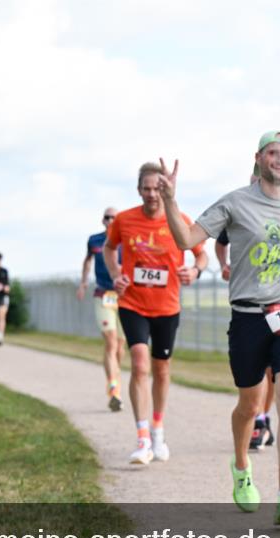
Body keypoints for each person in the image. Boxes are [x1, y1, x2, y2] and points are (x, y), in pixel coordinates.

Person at [158, 131, 280, 526]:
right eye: (273, 153)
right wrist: (169, 199)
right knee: (250, 404)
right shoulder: (235, 202)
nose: (279, 160)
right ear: (259, 158)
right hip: (248, 316)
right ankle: (241, 466)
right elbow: (186, 239)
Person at [104, 163, 208, 465]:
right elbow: (110, 250)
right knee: (138, 363)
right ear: (139, 190)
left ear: (165, 189)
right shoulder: (124, 220)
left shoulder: (180, 220)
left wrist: (195, 271)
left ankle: (158, 429)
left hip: (167, 306)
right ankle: (142, 438)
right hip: (132, 302)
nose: (152, 194)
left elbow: (201, 254)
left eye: (157, 188)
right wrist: (115, 275)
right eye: (146, 188)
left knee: (161, 370)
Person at [215, 165, 280, 451]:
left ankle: (262, 418)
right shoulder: (242, 211)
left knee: (277, 370)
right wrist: (225, 265)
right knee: (255, 372)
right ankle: (254, 415)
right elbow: (221, 242)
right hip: (251, 305)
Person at [79, 207, 126, 412]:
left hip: (124, 297)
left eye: (114, 217)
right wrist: (83, 282)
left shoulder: (127, 240)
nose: (110, 220)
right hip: (103, 295)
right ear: (102, 220)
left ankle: (116, 377)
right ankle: (113, 388)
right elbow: (87, 260)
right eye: (107, 217)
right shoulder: (94, 240)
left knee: (120, 346)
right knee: (110, 342)